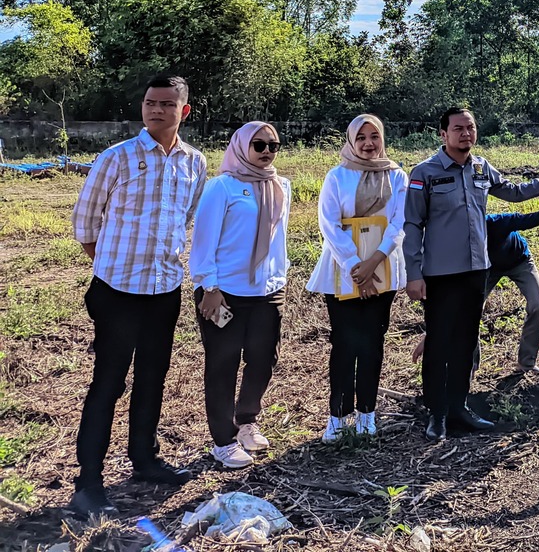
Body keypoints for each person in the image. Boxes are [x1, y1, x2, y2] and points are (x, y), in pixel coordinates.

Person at [68, 75, 208, 518]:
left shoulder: (195, 163)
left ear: (183, 112)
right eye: (150, 102)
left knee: (153, 378)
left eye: (167, 104)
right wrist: (110, 266)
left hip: (164, 290)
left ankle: (144, 460)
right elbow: (86, 223)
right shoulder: (116, 158)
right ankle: (88, 481)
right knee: (108, 382)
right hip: (117, 291)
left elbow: (185, 219)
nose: (156, 110)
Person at [404, 107, 539, 442]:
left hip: (476, 271)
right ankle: (436, 415)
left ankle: (460, 407)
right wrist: (413, 273)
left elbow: (515, 192)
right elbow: (411, 224)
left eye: (470, 127)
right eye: (457, 128)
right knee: (439, 344)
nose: (465, 133)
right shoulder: (425, 172)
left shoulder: (481, 167)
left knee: (465, 342)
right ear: (443, 134)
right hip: (439, 274)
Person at [191, 122, 291, 469]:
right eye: (258, 144)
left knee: (263, 360)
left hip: (267, 290)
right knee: (222, 366)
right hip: (225, 292)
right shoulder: (222, 187)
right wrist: (209, 287)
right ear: (241, 147)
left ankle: (245, 419)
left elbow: (279, 240)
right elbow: (203, 240)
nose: (266, 151)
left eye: (273, 145)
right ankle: (222, 440)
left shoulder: (281, 187)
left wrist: (281, 278)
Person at [306, 114, 408, 443]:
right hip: (342, 271)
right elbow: (329, 224)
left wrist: (373, 264)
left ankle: (367, 414)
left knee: (373, 342)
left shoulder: (396, 176)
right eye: (361, 137)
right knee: (345, 343)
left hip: (382, 269)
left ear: (382, 139)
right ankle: (337, 417)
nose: (368, 143)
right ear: (351, 141)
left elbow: (397, 223)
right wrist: (355, 266)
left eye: (374, 136)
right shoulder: (338, 176)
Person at [411, 203, 539, 375]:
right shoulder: (456, 242)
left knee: (538, 305)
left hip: (519, 261)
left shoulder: (495, 223)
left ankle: (527, 364)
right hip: (487, 270)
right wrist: (433, 331)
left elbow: (530, 219)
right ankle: (469, 366)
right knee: (470, 312)